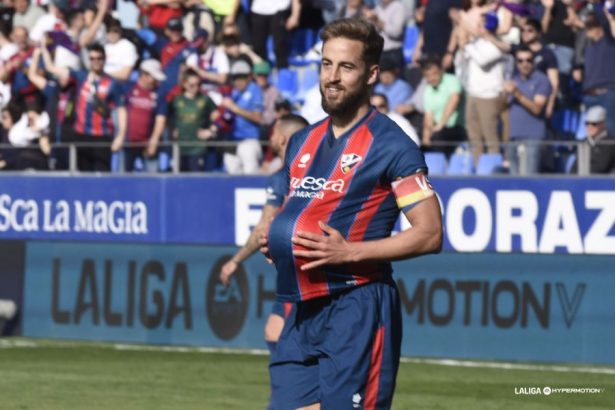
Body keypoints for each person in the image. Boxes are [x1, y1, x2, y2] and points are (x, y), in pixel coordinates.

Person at [260, 18, 442, 409]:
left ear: (372, 73)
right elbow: (304, 211)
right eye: (326, 65)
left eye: (346, 67)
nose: (332, 77)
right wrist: (277, 239)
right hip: (302, 309)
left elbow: (430, 234)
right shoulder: (302, 141)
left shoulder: (393, 146)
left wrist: (350, 253)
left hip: (357, 306)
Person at [220, 114, 309, 351]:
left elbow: (264, 225)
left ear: (282, 139)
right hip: (314, 267)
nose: (269, 137)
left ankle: (291, 387)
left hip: (299, 272)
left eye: (272, 133)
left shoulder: (283, 177)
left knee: (277, 335)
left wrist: (235, 261)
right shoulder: (319, 170)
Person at [44, 42, 127, 172]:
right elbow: (51, 68)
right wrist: (43, 48)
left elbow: (121, 109)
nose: (96, 62)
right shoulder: (81, 76)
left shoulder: (112, 83)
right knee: (84, 174)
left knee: (102, 175)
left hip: (102, 136)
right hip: (81, 135)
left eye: (99, 58)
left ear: (104, 59)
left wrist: (121, 135)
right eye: (92, 58)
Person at [504, 46, 551, 175]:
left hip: (532, 138)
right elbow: (501, 108)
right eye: (520, 60)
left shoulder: (542, 80)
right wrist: (504, 93)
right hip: (513, 137)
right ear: (516, 62)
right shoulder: (514, 80)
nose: (524, 64)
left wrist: (516, 93)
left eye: (528, 60)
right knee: (513, 182)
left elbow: (537, 108)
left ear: (534, 61)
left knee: (529, 180)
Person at [123, 59, 168, 172]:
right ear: (144, 74)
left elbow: (160, 119)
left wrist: (154, 141)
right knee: (122, 179)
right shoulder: (128, 88)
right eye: (154, 77)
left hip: (147, 143)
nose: (156, 81)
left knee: (152, 180)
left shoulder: (159, 94)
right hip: (127, 142)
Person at [222, 59, 264, 175]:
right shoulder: (232, 91)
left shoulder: (255, 90)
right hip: (231, 140)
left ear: (249, 77)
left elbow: (258, 118)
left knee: (250, 174)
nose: (239, 81)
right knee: (231, 175)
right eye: (236, 77)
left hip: (249, 140)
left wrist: (235, 109)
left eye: (242, 77)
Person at [170, 69, 217, 172]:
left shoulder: (205, 99)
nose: (195, 88)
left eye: (198, 84)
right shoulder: (177, 100)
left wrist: (211, 131)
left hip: (198, 148)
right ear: (184, 84)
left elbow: (218, 117)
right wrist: (172, 129)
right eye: (192, 85)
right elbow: (167, 117)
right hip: (180, 147)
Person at [421, 54, 466, 157]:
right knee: (424, 144)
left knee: (438, 137)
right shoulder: (428, 90)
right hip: (440, 130)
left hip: (458, 128)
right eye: (428, 76)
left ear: (441, 70)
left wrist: (440, 124)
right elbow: (429, 116)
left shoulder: (452, 80)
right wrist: (426, 137)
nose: (432, 78)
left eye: (434, 74)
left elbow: (454, 100)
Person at [572, 105, 615, 174]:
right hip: (581, 182)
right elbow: (575, 167)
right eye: (587, 123)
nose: (590, 126)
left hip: (602, 182)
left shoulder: (609, 143)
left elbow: (601, 167)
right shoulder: (584, 142)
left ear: (602, 124)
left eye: (594, 124)